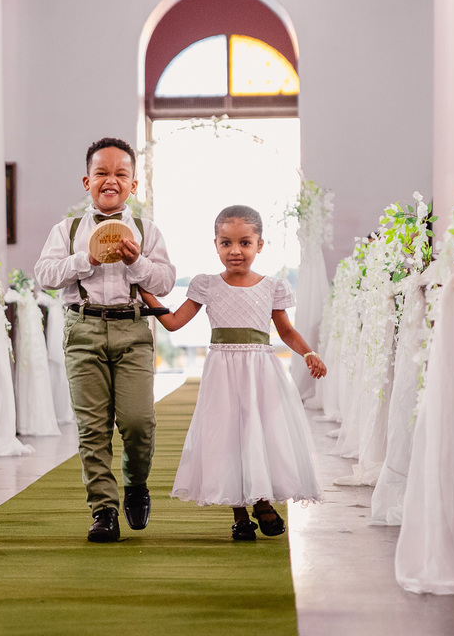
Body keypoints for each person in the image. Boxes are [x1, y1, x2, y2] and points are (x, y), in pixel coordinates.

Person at [138, 205, 325, 541]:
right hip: (221, 373)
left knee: (259, 433)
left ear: (259, 245)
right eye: (226, 243)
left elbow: (285, 331)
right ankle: (239, 514)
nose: (235, 251)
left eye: (244, 243)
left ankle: (263, 501)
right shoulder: (207, 285)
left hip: (260, 373)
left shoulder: (272, 287)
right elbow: (174, 322)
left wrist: (309, 352)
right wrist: (143, 289)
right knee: (227, 437)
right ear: (216, 245)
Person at [34, 137, 176, 543]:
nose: (110, 180)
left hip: (133, 330)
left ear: (133, 184)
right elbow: (44, 275)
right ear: (87, 181)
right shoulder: (67, 230)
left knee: (138, 421)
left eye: (120, 174)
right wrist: (86, 260)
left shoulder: (147, 231)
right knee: (92, 427)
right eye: (101, 173)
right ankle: (103, 509)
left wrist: (137, 262)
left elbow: (165, 282)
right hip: (83, 329)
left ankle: (136, 483)